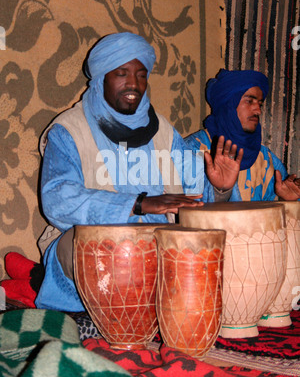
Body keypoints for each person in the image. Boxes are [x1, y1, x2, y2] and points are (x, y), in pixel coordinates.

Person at [33, 33, 243, 312]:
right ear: (101, 79)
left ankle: (174, 315)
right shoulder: (69, 130)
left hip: (160, 248)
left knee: (220, 242)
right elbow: (58, 199)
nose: (133, 84)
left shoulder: (164, 132)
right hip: (92, 247)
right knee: (99, 249)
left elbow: (196, 202)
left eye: (141, 75)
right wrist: (138, 204)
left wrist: (220, 189)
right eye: (121, 73)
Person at [185, 69, 300, 202]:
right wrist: (221, 192)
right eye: (250, 101)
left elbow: (276, 216)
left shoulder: (265, 158)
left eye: (260, 104)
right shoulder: (190, 151)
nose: (258, 110)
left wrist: (285, 200)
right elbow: (180, 214)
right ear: (228, 104)